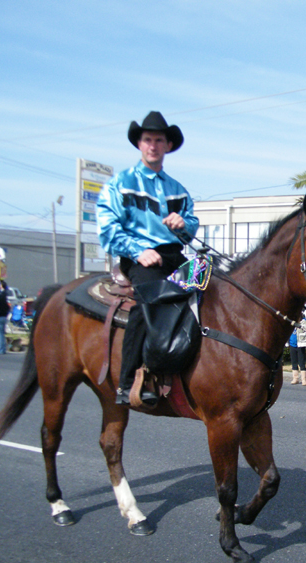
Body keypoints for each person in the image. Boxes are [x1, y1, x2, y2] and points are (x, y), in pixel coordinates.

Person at [97, 111, 198, 405]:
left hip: (173, 254)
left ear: (167, 146)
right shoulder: (121, 183)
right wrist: (138, 251)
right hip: (138, 256)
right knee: (150, 301)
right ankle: (128, 381)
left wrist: (184, 225)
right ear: (140, 144)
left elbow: (191, 225)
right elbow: (107, 228)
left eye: (159, 140)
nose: (153, 145)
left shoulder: (178, 189)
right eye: (148, 140)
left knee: (206, 285)